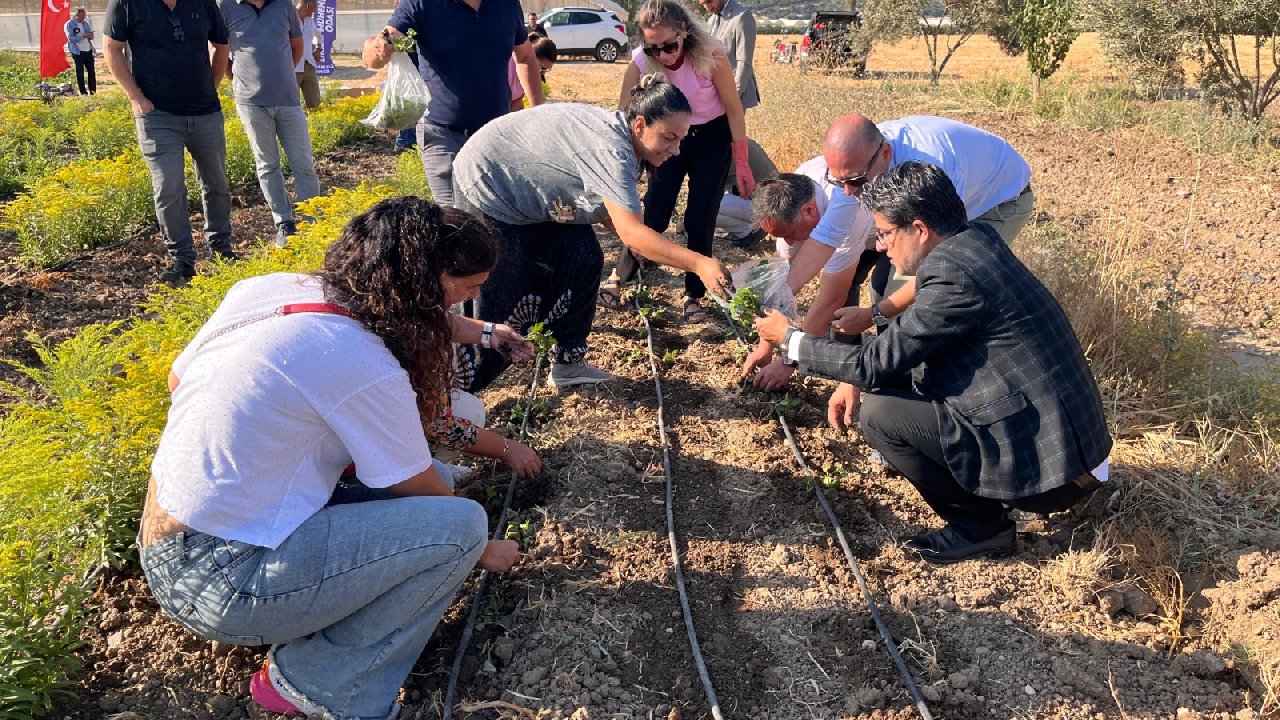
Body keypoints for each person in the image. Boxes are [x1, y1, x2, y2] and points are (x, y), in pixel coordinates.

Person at [138, 198, 538, 718]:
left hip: (167, 540)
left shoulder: (273, 289)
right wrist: (480, 547)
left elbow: (178, 381)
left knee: (439, 480)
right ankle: (322, 684)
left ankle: (317, 614)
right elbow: (417, 475)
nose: (473, 300)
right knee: (458, 526)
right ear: (423, 284)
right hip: (222, 581)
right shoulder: (359, 360)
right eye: (466, 289)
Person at [755, 162, 1111, 565]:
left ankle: (983, 530)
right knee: (898, 371)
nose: (882, 247)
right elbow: (907, 334)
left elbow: (873, 364)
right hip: (1068, 444)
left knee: (880, 414)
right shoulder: (973, 242)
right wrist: (872, 316)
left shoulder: (955, 279)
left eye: (886, 234)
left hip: (1054, 470)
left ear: (920, 229)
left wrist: (790, 339)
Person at [453, 75, 733, 390]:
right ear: (639, 124)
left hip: (537, 192)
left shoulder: (625, 141)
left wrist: (645, 243)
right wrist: (699, 263)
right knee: (495, 288)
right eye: (669, 137)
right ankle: (459, 386)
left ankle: (568, 364)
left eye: (681, 138)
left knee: (583, 258)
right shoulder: (613, 149)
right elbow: (632, 232)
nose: (676, 149)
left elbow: (616, 217)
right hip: (489, 182)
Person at [751, 114, 1035, 423]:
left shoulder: (934, 170)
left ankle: (910, 408)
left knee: (919, 300)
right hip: (936, 205)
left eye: (856, 182)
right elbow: (825, 240)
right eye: (839, 181)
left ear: (885, 154)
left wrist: (875, 316)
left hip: (994, 201)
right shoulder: (855, 172)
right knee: (885, 287)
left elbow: (940, 269)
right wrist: (775, 311)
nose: (848, 191)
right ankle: (886, 382)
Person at [600, 0, 752, 324]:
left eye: (669, 45)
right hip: (666, 135)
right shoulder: (642, 62)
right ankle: (621, 274)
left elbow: (735, 110)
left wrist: (742, 163)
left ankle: (693, 294)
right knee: (655, 207)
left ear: (685, 30)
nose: (663, 55)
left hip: (711, 139)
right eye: (654, 48)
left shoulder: (711, 56)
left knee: (701, 216)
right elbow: (624, 113)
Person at [103, 0, 237, 286]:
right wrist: (136, 98)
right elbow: (112, 49)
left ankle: (221, 249)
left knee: (216, 184)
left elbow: (221, 45)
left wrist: (211, 87)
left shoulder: (203, 4)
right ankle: (182, 259)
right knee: (168, 187)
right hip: (158, 116)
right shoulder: (127, 5)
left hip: (205, 113)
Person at [363, 0, 543, 206]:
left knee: (498, 216)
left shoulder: (506, 4)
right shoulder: (421, 4)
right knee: (456, 219)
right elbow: (372, 55)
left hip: (495, 135)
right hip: (442, 134)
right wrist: (378, 49)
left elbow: (526, 55)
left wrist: (538, 112)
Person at [739, 157, 876, 398]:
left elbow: (831, 298)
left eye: (790, 234)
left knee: (881, 288)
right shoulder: (791, 200)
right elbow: (783, 287)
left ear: (810, 210)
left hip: (885, 232)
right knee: (845, 296)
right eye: (781, 236)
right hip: (857, 231)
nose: (790, 242)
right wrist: (766, 346)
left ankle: (863, 371)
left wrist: (788, 362)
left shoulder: (844, 211)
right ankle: (842, 354)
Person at [219, 0, 322, 249]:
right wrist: (238, 80)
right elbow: (221, 50)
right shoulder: (226, 8)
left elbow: (297, 46)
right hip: (251, 103)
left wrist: (282, 75)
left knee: (304, 164)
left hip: (288, 100)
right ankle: (284, 222)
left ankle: (313, 222)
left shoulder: (284, 6)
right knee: (267, 164)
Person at [700, 0, 758, 112]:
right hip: (714, 94)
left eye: (709, 2)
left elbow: (744, 62)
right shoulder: (712, 19)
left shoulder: (742, 16)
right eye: (703, 4)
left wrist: (733, 97)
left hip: (734, 92)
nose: (707, 7)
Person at [508, 33, 556, 111]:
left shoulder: (529, 79)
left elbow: (517, 102)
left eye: (546, 69)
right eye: (542, 68)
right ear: (530, 59)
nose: (542, 73)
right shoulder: (508, 67)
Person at [295, 0, 321, 110]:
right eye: (314, 7)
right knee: (291, 105)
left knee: (314, 104)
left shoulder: (310, 21)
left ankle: (315, 125)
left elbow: (318, 35)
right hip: (293, 68)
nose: (315, 10)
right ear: (307, 5)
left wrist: (318, 48)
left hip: (309, 65)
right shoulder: (289, 18)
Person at [64, 7, 97, 96]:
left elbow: (90, 37)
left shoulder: (85, 23)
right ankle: (83, 93)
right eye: (81, 16)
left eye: (84, 16)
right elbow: (71, 39)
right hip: (78, 52)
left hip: (88, 50)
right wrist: (83, 36)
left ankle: (93, 92)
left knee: (91, 71)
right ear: (76, 15)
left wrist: (90, 35)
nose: (83, 18)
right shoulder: (69, 24)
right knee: (80, 72)